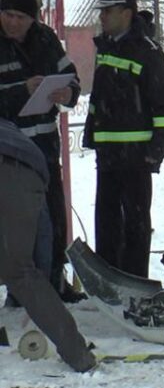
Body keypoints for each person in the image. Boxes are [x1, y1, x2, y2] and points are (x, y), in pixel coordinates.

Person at [83, 0, 164, 278]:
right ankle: (108, 282)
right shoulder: (106, 48)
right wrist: (92, 138)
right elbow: (98, 101)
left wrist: (153, 156)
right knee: (107, 224)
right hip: (108, 157)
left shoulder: (147, 53)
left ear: (126, 13)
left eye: (108, 11)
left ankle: (134, 283)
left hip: (136, 159)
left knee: (135, 227)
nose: (102, 17)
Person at [0, 0, 83, 302]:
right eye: (7, 14)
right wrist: (23, 88)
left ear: (33, 19)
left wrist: (68, 92)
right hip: (9, 148)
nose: (12, 22)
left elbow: (70, 75)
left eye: (20, 17)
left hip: (45, 145)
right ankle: (20, 291)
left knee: (53, 214)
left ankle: (55, 281)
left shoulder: (46, 39)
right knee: (20, 222)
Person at [0, 118, 97, 372]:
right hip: (31, 168)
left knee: (18, 272)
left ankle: (78, 356)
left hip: (11, 170)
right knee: (21, 271)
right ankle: (77, 353)